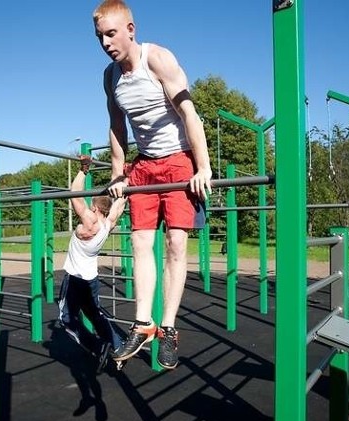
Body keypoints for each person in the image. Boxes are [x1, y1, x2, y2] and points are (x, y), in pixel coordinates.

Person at [93, 0, 212, 369]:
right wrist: (118, 175)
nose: (106, 42)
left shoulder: (157, 59)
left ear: (131, 29)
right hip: (144, 166)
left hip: (178, 160)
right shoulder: (110, 77)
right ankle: (143, 323)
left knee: (176, 243)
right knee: (139, 240)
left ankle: (169, 328)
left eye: (112, 33)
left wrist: (203, 166)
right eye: (100, 36)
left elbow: (189, 113)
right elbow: (117, 128)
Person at [58, 155, 126, 373]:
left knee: (66, 320)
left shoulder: (91, 222)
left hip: (75, 279)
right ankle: (119, 347)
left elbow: (74, 194)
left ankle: (99, 347)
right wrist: (127, 180)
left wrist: (84, 170)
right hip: (91, 279)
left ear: (95, 207)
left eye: (92, 202)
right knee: (95, 315)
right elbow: (120, 203)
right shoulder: (109, 223)